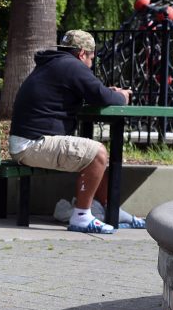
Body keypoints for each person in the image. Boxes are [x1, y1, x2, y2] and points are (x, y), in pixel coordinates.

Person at [9, 30, 146, 234]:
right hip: (32, 145)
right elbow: (106, 98)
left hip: (27, 142)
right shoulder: (71, 65)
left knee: (92, 156)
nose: (91, 63)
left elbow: (96, 92)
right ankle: (81, 216)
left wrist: (107, 92)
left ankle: (110, 210)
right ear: (82, 53)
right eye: (91, 58)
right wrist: (123, 95)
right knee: (97, 153)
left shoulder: (54, 63)